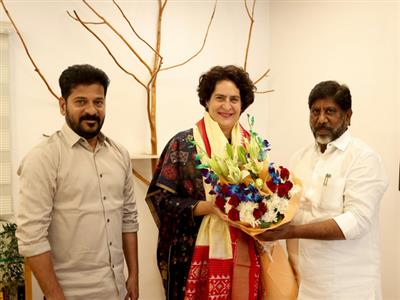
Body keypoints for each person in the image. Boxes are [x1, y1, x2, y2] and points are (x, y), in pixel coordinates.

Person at [16, 64, 139, 300]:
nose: (91, 110)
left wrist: (133, 276)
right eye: (81, 101)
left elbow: (128, 218)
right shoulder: (43, 158)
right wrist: (54, 296)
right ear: (63, 105)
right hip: (70, 294)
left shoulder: (119, 154)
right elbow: (31, 236)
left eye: (98, 102)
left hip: (118, 290)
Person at [258, 80, 388, 299]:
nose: (321, 119)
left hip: (349, 287)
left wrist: (292, 232)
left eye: (330, 111)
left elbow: (357, 222)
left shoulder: (364, 158)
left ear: (348, 116)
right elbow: (289, 210)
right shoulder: (299, 158)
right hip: (304, 284)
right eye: (315, 112)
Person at [146, 65, 262, 299]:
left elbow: (263, 196)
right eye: (219, 98)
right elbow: (160, 199)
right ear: (207, 100)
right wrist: (208, 208)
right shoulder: (183, 143)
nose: (227, 106)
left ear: (242, 104)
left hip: (243, 251)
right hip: (191, 255)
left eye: (234, 99)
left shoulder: (253, 146)